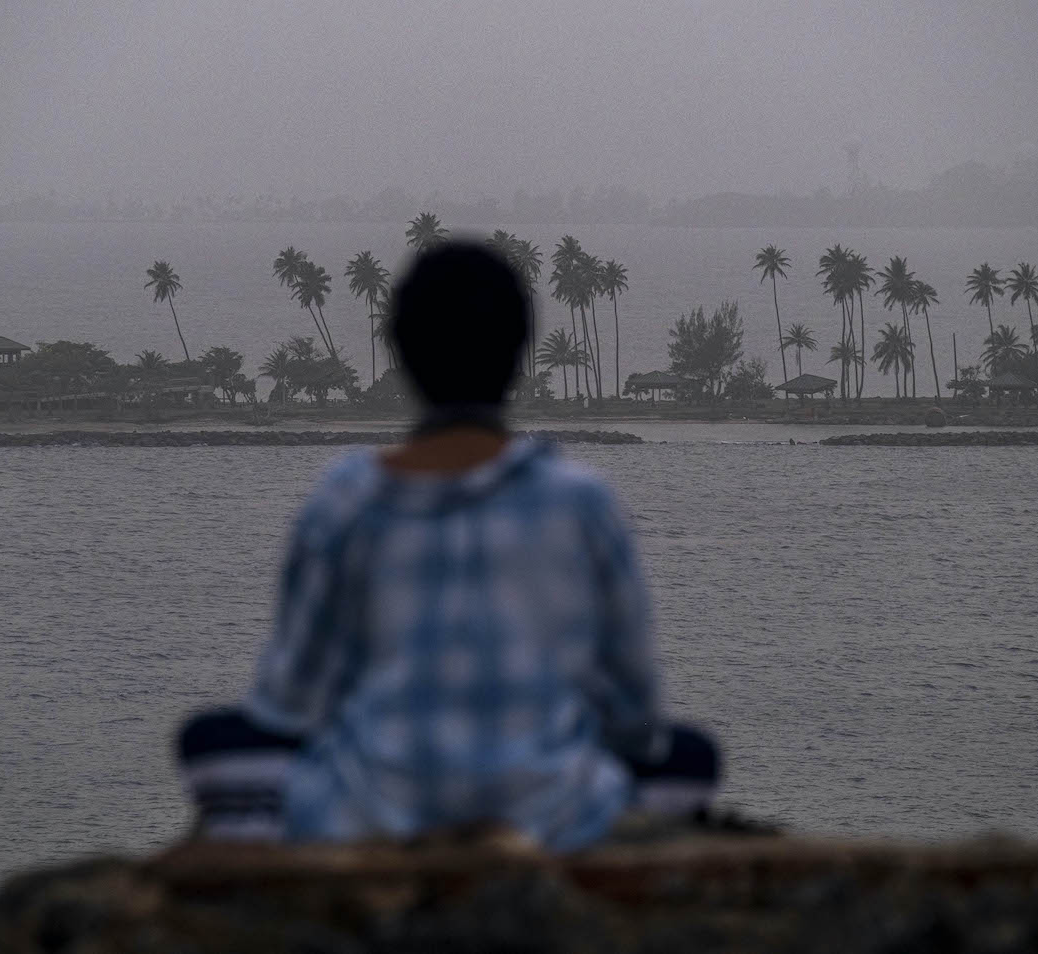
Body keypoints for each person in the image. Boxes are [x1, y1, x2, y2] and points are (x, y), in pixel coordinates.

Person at [177, 242, 717, 850]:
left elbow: (291, 703)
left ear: (402, 355)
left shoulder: (345, 501)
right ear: (520, 356)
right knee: (693, 756)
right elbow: (635, 715)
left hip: (369, 814)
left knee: (210, 740)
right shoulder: (582, 502)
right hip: (555, 816)